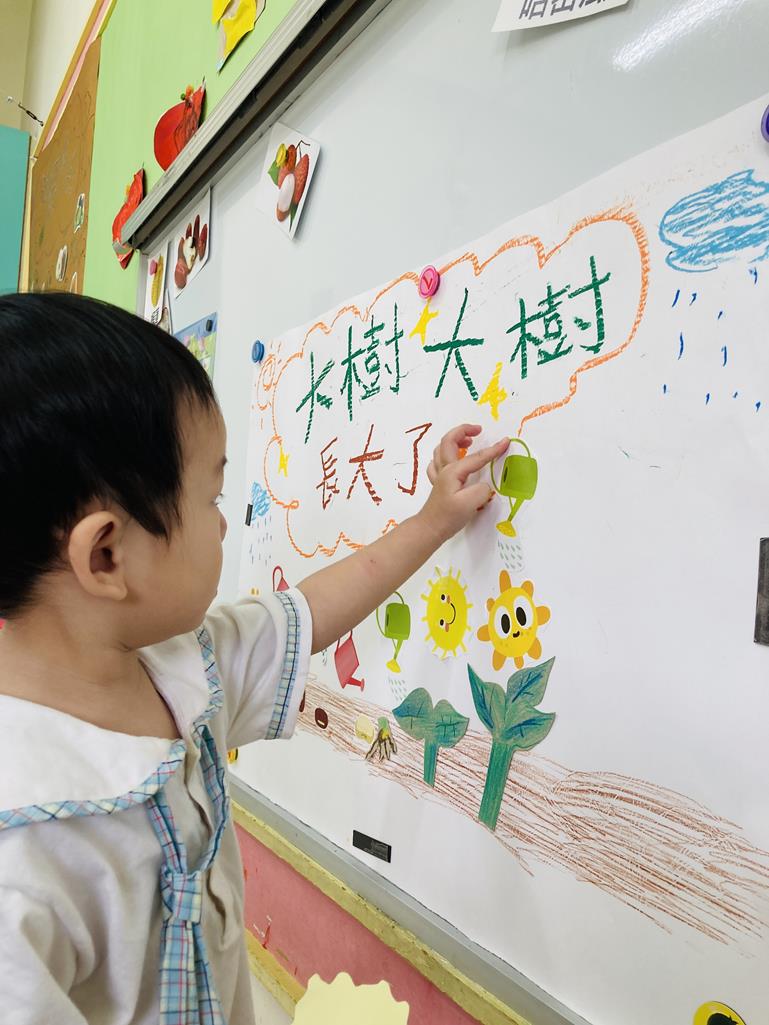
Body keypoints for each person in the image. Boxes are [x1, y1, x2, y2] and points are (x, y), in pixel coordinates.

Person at [0, 291, 508, 1024]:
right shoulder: (24, 855)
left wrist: (433, 520)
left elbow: (312, 609)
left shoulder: (182, 666)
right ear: (106, 555)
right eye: (211, 498)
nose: (223, 524)